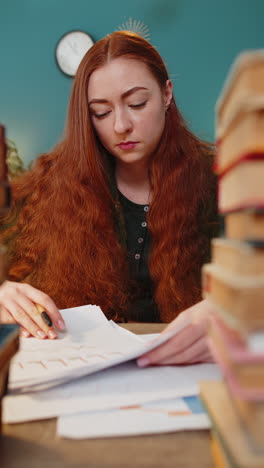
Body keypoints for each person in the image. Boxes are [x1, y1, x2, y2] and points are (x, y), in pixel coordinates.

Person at [0, 31, 219, 363]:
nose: (120, 125)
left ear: (166, 94)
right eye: (101, 112)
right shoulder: (51, 185)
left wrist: (238, 306)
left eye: (136, 104)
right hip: (82, 378)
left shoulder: (222, 181)